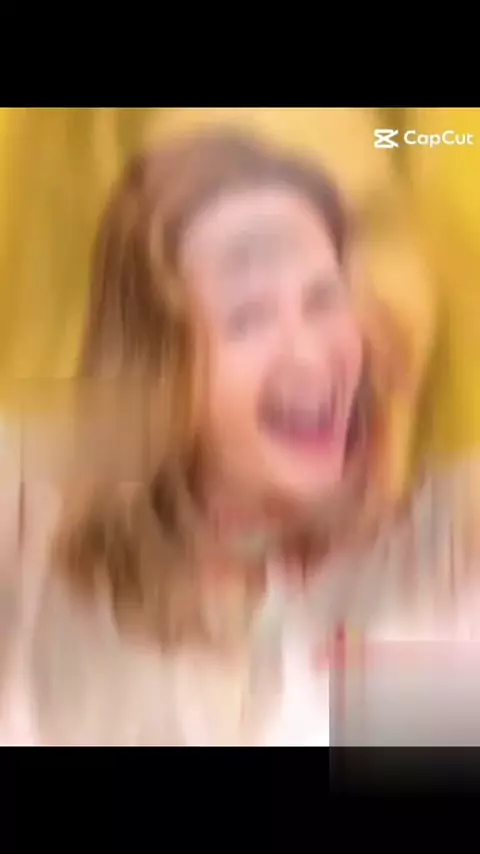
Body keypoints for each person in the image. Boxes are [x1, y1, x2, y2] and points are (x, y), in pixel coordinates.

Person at [0, 129, 479, 746]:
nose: (311, 352)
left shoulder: (432, 562)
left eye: (323, 299)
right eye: (249, 319)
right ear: (160, 365)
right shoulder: (36, 538)